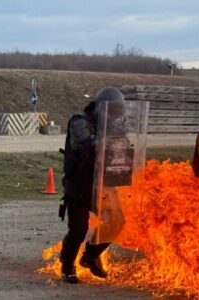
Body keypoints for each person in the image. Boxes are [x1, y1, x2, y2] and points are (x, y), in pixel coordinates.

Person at [59, 87, 125, 284]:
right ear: (100, 108)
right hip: (79, 185)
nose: (114, 118)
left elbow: (123, 143)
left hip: (103, 185)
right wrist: (111, 141)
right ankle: (67, 265)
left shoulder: (111, 125)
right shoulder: (80, 121)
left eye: (116, 114)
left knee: (117, 223)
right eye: (111, 113)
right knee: (78, 229)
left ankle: (90, 256)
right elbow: (89, 144)